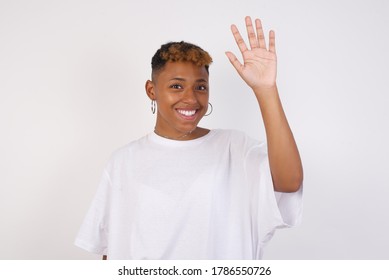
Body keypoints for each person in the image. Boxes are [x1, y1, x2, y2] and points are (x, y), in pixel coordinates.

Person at [75, 16, 303, 260]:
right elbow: (112, 249)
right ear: (151, 90)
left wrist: (265, 90)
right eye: (176, 86)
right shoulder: (123, 162)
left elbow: (289, 182)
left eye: (201, 87)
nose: (191, 98)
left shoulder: (234, 148)